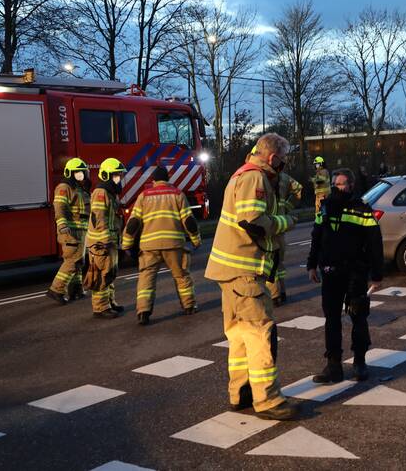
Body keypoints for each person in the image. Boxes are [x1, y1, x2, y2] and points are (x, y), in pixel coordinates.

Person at [205, 133, 296, 420]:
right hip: (244, 271)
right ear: (273, 158)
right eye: (283, 160)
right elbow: (253, 223)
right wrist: (286, 222)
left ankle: (241, 393)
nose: (284, 166)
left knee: (240, 335)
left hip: (231, 271)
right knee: (260, 334)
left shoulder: (244, 174)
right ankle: (268, 400)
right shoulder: (254, 178)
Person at [307, 168, 383, 384]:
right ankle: (333, 366)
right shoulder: (326, 206)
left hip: (355, 272)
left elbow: (374, 243)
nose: (338, 188)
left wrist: (376, 275)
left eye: (342, 184)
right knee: (331, 320)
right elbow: (316, 235)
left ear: (351, 185)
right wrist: (312, 264)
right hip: (330, 272)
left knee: (358, 316)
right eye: (335, 184)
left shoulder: (362, 209)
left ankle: (360, 362)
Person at [122, 166, 202, 325]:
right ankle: (189, 306)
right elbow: (189, 221)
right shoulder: (178, 194)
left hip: (149, 246)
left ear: (153, 180)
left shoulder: (143, 196)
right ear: (168, 179)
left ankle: (143, 312)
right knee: (181, 276)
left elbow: (133, 222)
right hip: (174, 244)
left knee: (146, 279)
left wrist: (126, 243)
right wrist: (196, 240)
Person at [84, 158, 126, 319]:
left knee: (109, 273)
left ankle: (110, 302)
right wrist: (106, 240)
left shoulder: (109, 192)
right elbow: (99, 218)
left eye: (119, 175)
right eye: (116, 175)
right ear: (107, 175)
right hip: (101, 242)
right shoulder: (101, 193)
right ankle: (100, 307)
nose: (118, 178)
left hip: (109, 241)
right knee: (101, 274)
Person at [46, 158, 92, 305]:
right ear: (70, 173)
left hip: (81, 231)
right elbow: (60, 207)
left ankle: (76, 290)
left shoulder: (79, 189)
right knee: (72, 260)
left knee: (79, 261)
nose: (81, 174)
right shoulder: (63, 188)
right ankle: (56, 290)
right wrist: (63, 226)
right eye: (77, 172)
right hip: (71, 231)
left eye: (82, 172)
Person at [267, 153, 302, 307]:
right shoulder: (285, 178)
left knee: (269, 262)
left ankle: (274, 295)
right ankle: (282, 292)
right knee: (278, 261)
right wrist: (287, 207)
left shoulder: (263, 178)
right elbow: (299, 190)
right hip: (281, 223)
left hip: (269, 225)